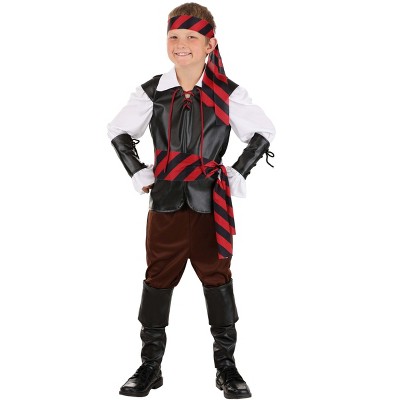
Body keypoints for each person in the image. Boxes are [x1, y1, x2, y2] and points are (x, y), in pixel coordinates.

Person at [107, 2, 275, 398]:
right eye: (174, 36)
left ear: (209, 44)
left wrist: (237, 172)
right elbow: (118, 130)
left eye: (191, 37)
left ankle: (226, 367)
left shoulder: (228, 93)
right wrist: (139, 172)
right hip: (165, 203)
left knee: (217, 280)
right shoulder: (152, 91)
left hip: (209, 205)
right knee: (157, 280)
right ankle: (150, 366)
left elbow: (262, 132)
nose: (181, 44)